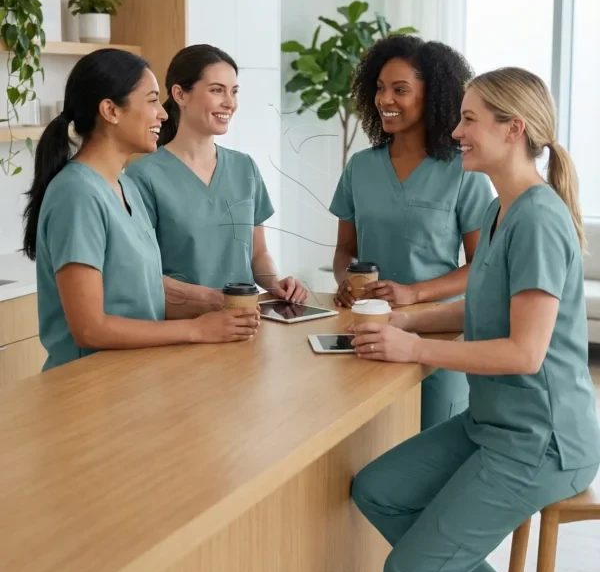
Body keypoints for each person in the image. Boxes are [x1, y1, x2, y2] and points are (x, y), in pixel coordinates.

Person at [350, 68, 600, 572]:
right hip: (491, 424)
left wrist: (413, 351)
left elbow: (523, 352)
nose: (456, 130)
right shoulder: (499, 210)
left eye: (468, 118)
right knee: (378, 490)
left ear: (513, 130)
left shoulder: (537, 219)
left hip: (542, 442)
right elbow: (486, 308)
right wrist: (408, 323)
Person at [23, 49, 259, 371]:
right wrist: (196, 329)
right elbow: (89, 328)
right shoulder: (76, 194)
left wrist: (214, 303)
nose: (162, 114)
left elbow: (143, 292)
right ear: (110, 110)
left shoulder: (125, 187)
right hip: (86, 389)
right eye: (151, 101)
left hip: (136, 378)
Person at [329, 35, 493, 429]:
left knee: (430, 442)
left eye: (400, 90)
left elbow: (481, 267)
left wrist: (413, 293)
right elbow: (344, 251)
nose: (385, 99)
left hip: (439, 335)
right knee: (367, 441)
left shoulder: (464, 172)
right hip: (369, 330)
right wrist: (345, 281)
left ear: (432, 95)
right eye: (381, 88)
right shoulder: (360, 168)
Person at [125, 44, 307, 305]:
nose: (229, 103)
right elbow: (142, 273)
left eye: (233, 91)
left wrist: (275, 282)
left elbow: (258, 254)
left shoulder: (245, 168)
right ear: (180, 94)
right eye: (216, 90)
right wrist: (210, 300)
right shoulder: (141, 177)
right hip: (180, 329)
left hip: (244, 322)